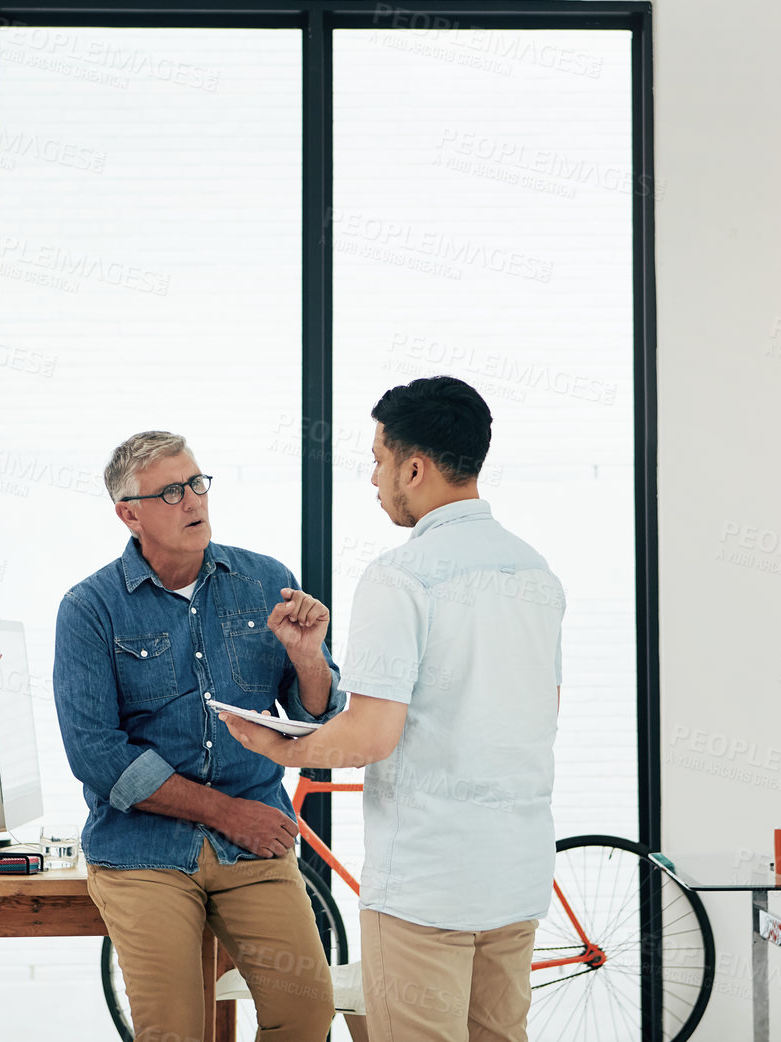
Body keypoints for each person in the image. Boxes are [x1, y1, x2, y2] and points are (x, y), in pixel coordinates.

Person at [224, 377, 565, 1042]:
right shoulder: (535, 573)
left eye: (378, 460)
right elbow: (540, 710)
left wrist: (279, 746)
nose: (374, 477)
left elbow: (371, 735)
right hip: (517, 872)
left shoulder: (399, 576)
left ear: (415, 467)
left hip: (426, 881)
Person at [54, 431, 341, 1040]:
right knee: (176, 1032)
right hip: (144, 850)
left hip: (254, 846)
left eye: (197, 483)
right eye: (172, 492)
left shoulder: (267, 581)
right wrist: (227, 814)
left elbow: (310, 718)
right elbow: (98, 756)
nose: (193, 501)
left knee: (308, 1015)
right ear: (129, 514)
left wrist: (310, 660)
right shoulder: (90, 608)